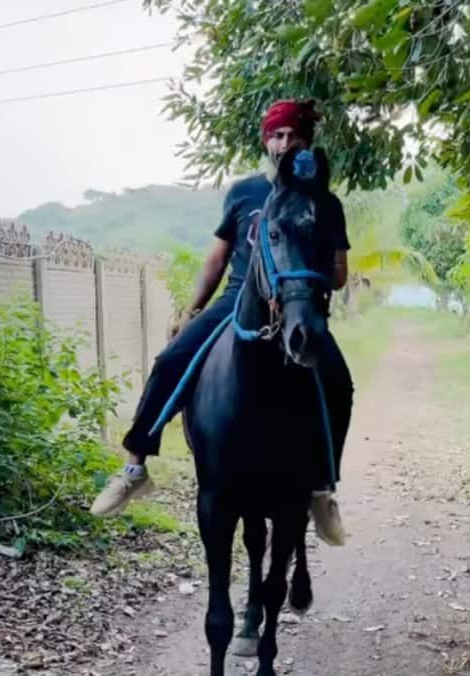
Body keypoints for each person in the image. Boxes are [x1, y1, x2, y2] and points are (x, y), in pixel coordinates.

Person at [90, 99, 353, 547]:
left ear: (307, 141)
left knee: (337, 380)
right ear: (266, 141)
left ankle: (322, 488)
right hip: (237, 300)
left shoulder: (324, 202)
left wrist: (303, 284)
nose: (285, 143)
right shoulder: (244, 193)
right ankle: (135, 467)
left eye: (293, 135)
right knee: (172, 358)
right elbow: (216, 258)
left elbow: (341, 270)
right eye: (277, 135)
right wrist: (192, 309)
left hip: (295, 303)